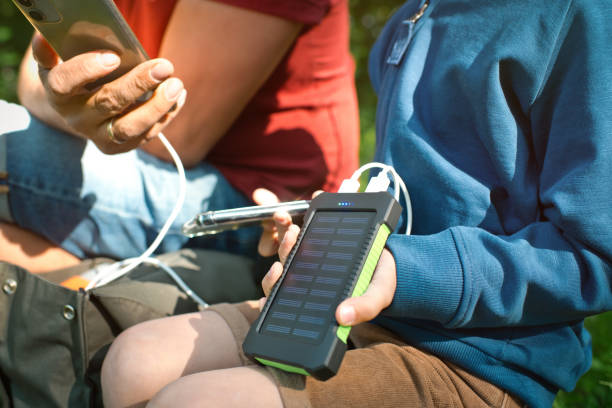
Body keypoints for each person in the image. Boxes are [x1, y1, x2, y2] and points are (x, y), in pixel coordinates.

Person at [99, 0, 612, 407]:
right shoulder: (417, 12)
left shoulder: (576, 18)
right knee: (134, 362)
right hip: (358, 311)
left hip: (481, 359)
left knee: (196, 403)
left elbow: (594, 255)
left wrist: (403, 273)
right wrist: (326, 229)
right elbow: (415, 192)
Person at [0, 0, 359, 274]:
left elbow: (172, 134)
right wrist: (59, 99)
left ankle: (84, 311)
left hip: (263, 208)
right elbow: (41, 66)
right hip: (158, 160)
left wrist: (63, 101)